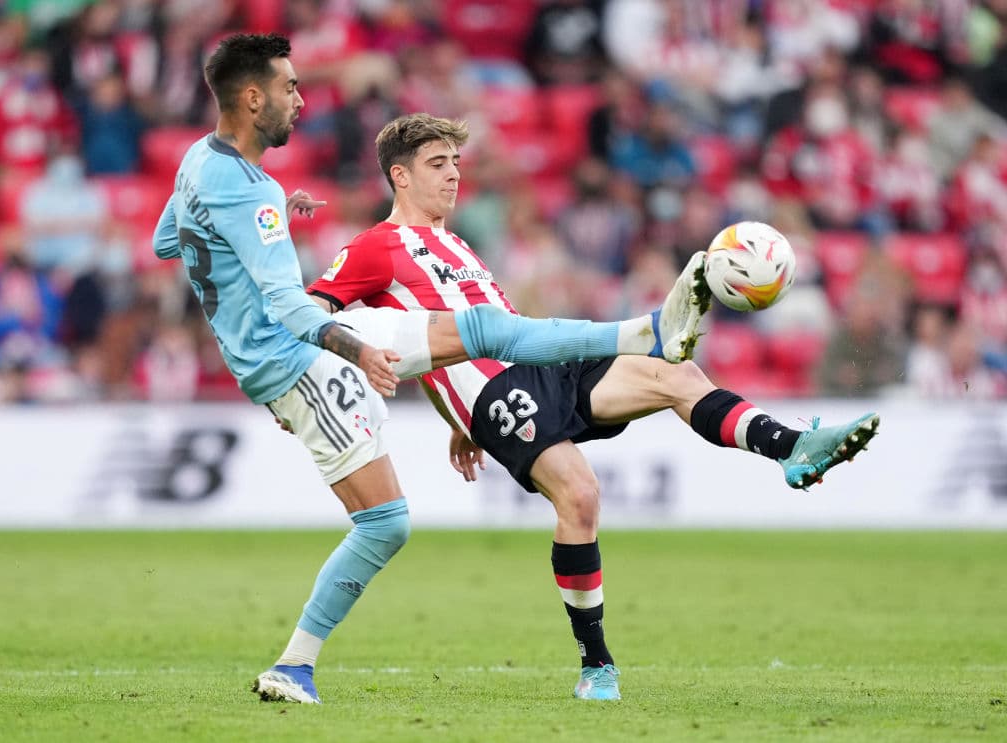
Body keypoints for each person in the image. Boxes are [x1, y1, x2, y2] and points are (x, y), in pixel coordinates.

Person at [151, 33, 712, 706]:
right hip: (300, 359)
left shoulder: (196, 164)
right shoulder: (256, 193)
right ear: (251, 97)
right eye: (289, 86)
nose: (300, 98)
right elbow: (288, 306)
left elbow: (167, 238)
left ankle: (640, 332)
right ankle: (293, 665)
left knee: (475, 326)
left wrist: (256, 221)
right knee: (386, 522)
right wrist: (354, 349)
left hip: (290, 348)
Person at [306, 112, 880, 701]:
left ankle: (792, 449)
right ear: (399, 176)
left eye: (455, 161)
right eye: (437, 164)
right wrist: (384, 370)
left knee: (675, 373)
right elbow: (309, 314)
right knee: (580, 498)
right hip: (498, 392)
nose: (453, 175)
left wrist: (454, 420)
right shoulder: (374, 246)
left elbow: (437, 331)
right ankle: (597, 665)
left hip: (544, 361)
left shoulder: (454, 241)